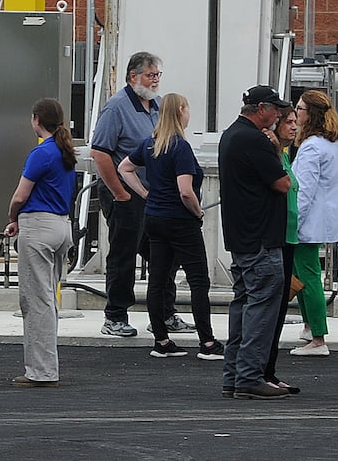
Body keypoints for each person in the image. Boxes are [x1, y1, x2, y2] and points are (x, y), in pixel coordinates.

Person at [90, 51, 186, 338]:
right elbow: (100, 152)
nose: (155, 81)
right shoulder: (116, 108)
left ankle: (165, 313)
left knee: (166, 253)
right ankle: (115, 316)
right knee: (123, 254)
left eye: (157, 75)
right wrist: (119, 192)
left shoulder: (157, 106)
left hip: (152, 194)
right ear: (133, 77)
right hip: (125, 194)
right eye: (150, 75)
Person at [120, 92, 220, 360]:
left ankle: (162, 340)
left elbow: (124, 167)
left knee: (158, 279)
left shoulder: (151, 144)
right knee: (199, 280)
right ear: (181, 112)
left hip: (154, 218)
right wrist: (198, 212)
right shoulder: (181, 147)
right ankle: (207, 342)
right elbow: (185, 191)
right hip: (181, 220)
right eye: (187, 109)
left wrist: (145, 194)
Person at [217, 84, 292, 400]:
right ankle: (249, 376)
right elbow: (283, 183)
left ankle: (234, 374)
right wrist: (276, 149)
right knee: (262, 308)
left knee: (244, 305)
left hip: (242, 236)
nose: (278, 115)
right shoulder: (255, 140)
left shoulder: (231, 135)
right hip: (261, 237)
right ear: (261, 108)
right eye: (275, 109)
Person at [5, 97, 78, 388]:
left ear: (36, 120)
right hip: (62, 225)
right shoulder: (65, 152)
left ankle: (41, 370)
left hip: (38, 225)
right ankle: (47, 364)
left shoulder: (41, 153)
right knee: (48, 298)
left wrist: (12, 217)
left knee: (35, 300)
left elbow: (21, 195)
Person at [290, 90, 338, 358]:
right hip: (326, 218)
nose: (296, 113)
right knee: (306, 273)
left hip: (309, 221)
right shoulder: (335, 144)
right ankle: (308, 326)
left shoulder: (312, 146)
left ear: (311, 114)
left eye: (300, 109)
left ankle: (317, 337)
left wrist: (293, 220)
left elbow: (303, 189)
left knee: (308, 275)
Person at [261, 105, 301, 391]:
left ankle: (270, 369)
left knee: (280, 308)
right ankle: (264, 370)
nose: (294, 126)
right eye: (288, 121)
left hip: (290, 237)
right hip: (279, 237)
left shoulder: (286, 154)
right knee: (272, 309)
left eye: (296, 121)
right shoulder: (275, 156)